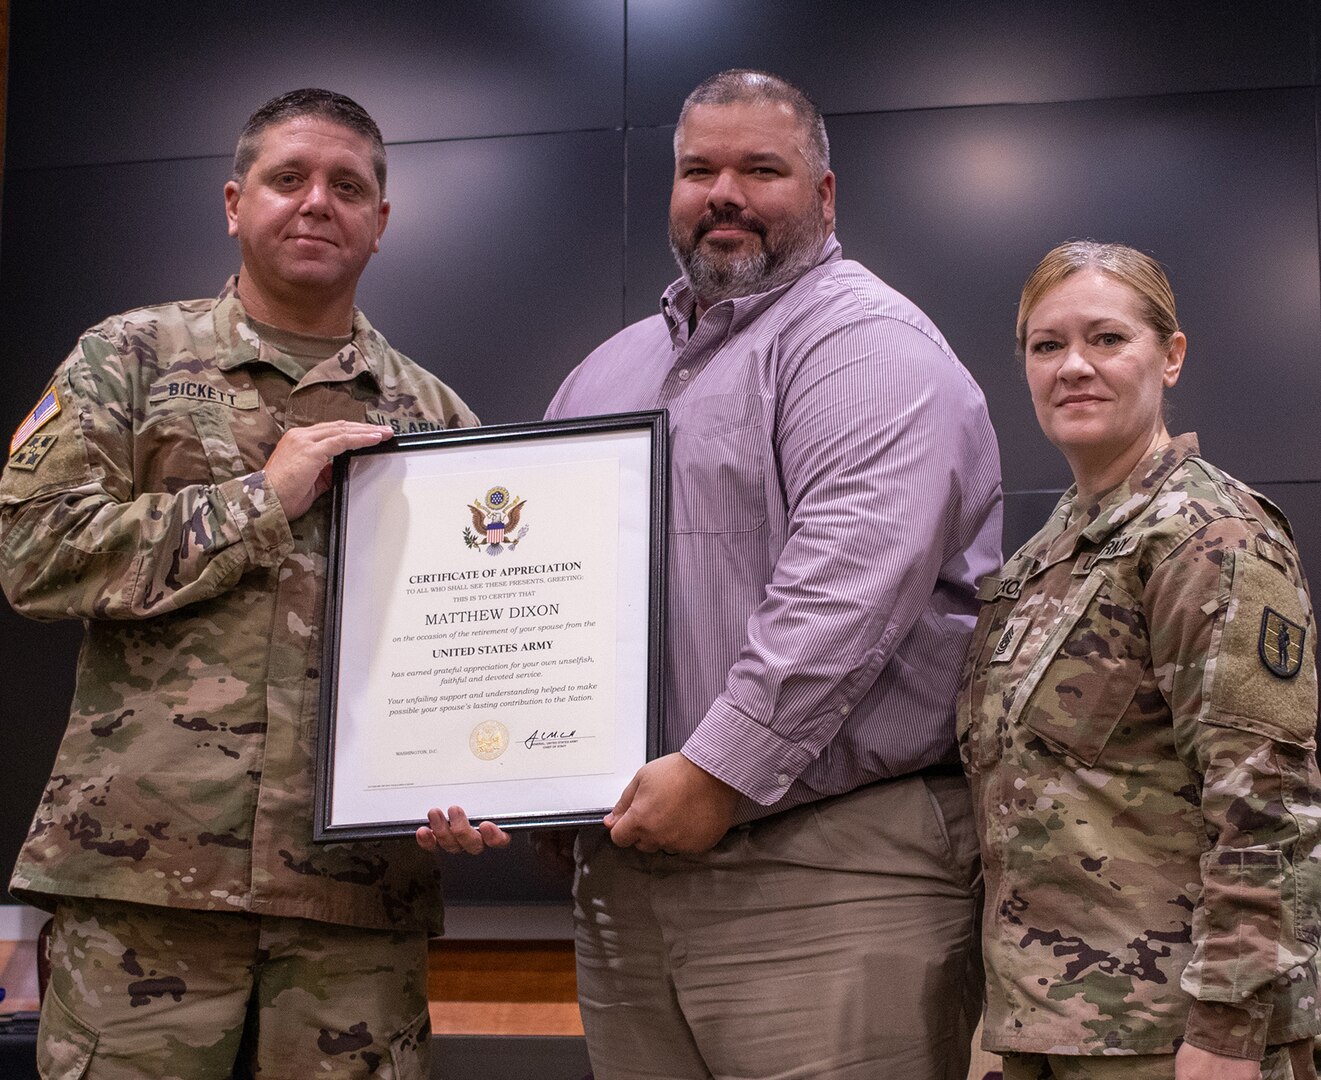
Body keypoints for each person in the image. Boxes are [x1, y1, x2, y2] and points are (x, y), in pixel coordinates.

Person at [429, 68, 1000, 1079]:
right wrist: (517, 774)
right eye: (698, 169)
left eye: (760, 168)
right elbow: (544, 597)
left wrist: (717, 769)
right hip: (632, 877)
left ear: (824, 196)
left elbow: (847, 584)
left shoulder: (866, 347)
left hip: (826, 873)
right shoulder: (606, 375)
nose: (722, 192)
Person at [0, 89, 493, 1078]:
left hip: (355, 902)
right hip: (148, 887)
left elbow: (471, 642)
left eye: (347, 186)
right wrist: (256, 500)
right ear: (235, 202)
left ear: (381, 223)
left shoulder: (437, 417)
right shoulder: (128, 360)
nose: (317, 202)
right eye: (288, 178)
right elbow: (33, 552)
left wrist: (481, 777)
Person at [959, 240, 1321, 1080]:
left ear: (1170, 355)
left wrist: (1229, 1030)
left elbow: (1267, 805)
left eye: (1106, 339)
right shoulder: (1048, 554)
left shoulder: (1209, 537)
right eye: (1046, 346)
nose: (1073, 367)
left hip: (1170, 1038)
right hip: (1047, 1029)